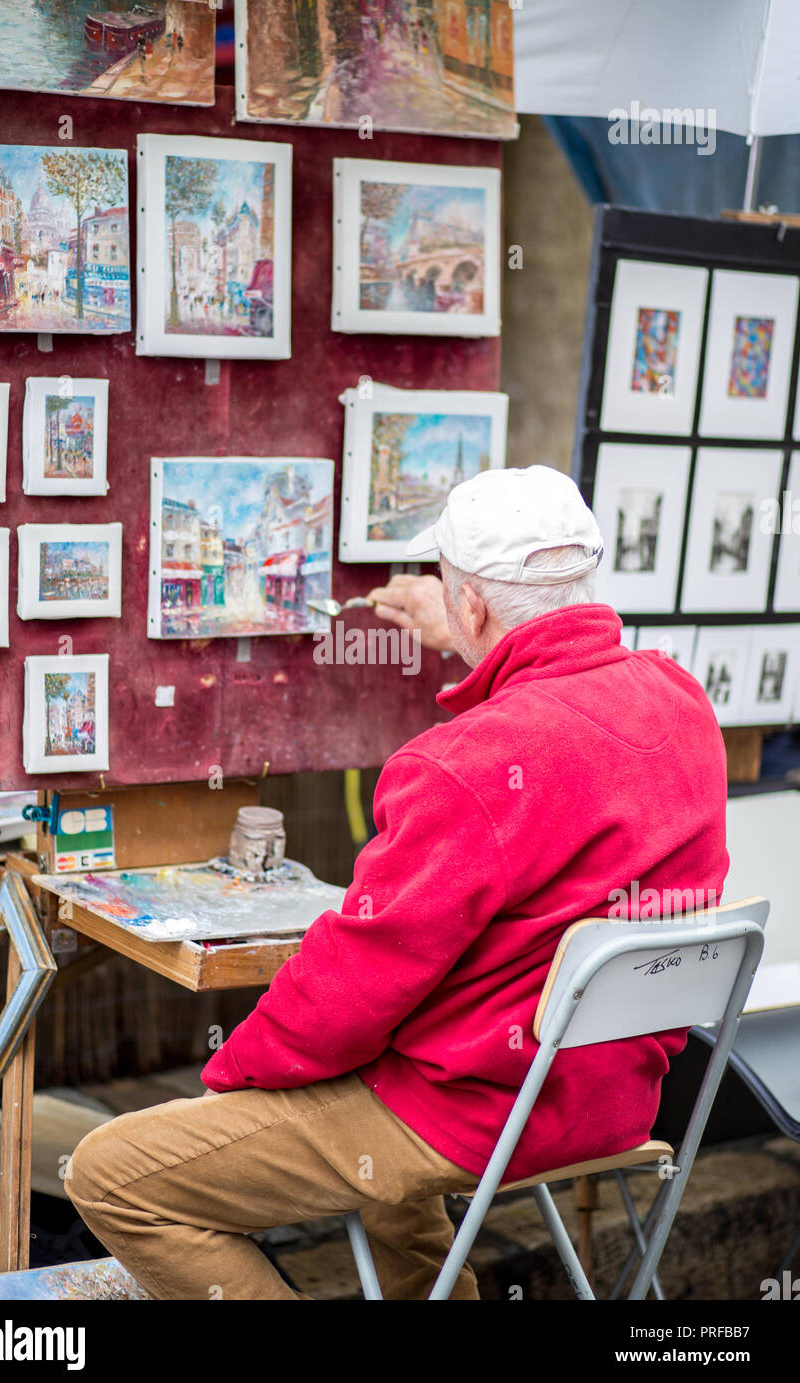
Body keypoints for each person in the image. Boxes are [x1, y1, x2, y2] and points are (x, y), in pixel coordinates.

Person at [65, 466, 729, 1301]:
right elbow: (560, 739)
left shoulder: (464, 765)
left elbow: (352, 987)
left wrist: (231, 1076)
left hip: (477, 1115)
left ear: (474, 607)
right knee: (382, 1093)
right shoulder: (681, 703)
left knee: (112, 1173)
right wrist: (462, 624)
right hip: (614, 1097)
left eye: (455, 592)